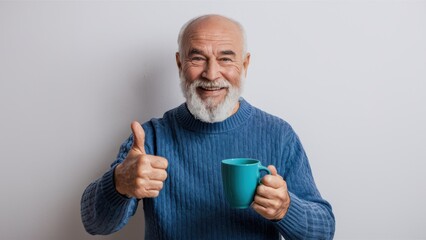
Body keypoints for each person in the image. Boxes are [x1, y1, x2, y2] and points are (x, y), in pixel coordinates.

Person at [81, 14, 335, 239]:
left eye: (226, 59)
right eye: (198, 58)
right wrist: (118, 184)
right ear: (180, 64)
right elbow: (95, 224)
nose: (212, 74)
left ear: (245, 65)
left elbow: (324, 231)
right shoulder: (150, 139)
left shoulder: (279, 135)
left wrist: (286, 209)